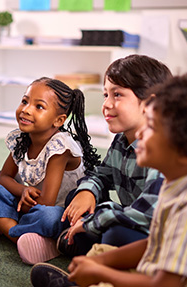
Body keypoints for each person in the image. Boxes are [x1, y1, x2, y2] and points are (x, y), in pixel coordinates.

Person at [31, 74, 187, 287]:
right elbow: (153, 244)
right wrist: (101, 262)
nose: (141, 132)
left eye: (151, 127)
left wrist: (102, 273)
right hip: (153, 266)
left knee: (113, 242)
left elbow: (166, 284)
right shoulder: (176, 187)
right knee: (102, 248)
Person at [0, 77, 101, 265]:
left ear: (58, 120)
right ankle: (25, 239)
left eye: (38, 107)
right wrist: (22, 190)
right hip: (30, 203)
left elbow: (48, 203)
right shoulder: (21, 139)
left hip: (59, 210)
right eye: (25, 101)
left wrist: (19, 203)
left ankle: (10, 227)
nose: (26, 109)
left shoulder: (60, 147)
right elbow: (5, 178)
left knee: (47, 217)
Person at [57, 54, 172, 257]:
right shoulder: (121, 139)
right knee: (75, 200)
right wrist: (88, 192)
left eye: (117, 95)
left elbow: (147, 214)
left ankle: (90, 250)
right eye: (105, 95)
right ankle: (86, 244)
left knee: (115, 234)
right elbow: (102, 174)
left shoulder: (164, 149)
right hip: (132, 219)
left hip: (161, 234)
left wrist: (98, 218)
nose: (107, 104)